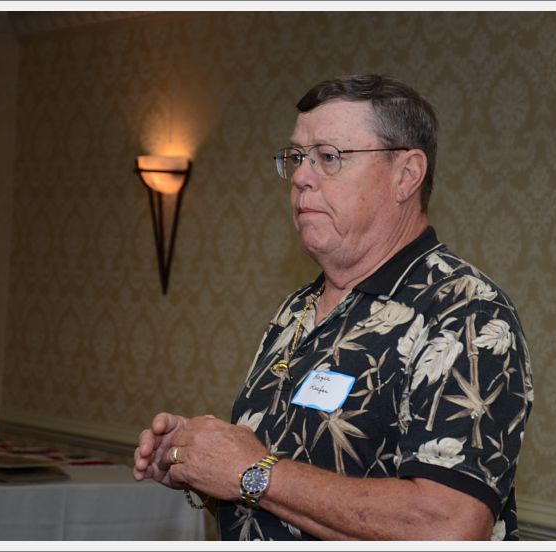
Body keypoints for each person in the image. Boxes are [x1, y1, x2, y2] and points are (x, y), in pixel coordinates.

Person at [133, 74, 533, 541]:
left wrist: (251, 471)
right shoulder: (296, 310)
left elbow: (448, 526)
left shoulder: (465, 312)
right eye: (297, 157)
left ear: (406, 175)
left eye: (328, 157)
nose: (301, 176)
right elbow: (281, 487)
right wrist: (201, 462)